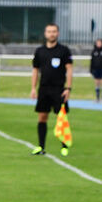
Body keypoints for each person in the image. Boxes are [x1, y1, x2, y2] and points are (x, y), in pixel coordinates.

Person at [30, 23, 72, 156]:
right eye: (49, 31)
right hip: (43, 89)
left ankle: (64, 146)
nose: (51, 34)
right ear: (45, 33)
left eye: (54, 31)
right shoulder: (40, 51)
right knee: (42, 117)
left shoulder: (64, 50)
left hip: (59, 89)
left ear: (58, 33)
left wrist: (68, 88)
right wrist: (33, 88)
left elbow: (69, 70)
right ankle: (41, 147)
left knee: (61, 118)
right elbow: (35, 70)